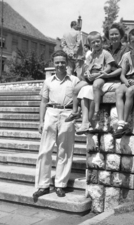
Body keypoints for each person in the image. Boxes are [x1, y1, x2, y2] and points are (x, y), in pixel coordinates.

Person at [33, 50, 80, 201]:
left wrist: (76, 112)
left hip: (67, 114)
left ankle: (60, 184)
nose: (60, 65)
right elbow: (43, 102)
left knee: (64, 151)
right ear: (53, 64)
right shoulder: (48, 81)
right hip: (51, 113)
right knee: (45, 150)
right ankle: (43, 185)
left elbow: (78, 99)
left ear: (67, 63)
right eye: (57, 62)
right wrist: (40, 121)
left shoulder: (74, 80)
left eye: (62, 62)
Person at [68, 23, 130, 135]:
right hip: (102, 78)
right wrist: (87, 73)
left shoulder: (125, 50)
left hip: (115, 79)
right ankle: (84, 121)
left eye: (116, 34)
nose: (114, 37)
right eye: (111, 35)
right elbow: (89, 65)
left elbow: (120, 69)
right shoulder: (103, 49)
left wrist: (106, 75)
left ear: (121, 35)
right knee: (81, 89)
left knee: (90, 90)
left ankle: (91, 120)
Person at [66, 31, 117, 125]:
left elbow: (109, 67)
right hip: (91, 76)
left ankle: (96, 112)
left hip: (101, 75)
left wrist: (99, 74)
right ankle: (75, 111)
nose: (96, 44)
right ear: (90, 45)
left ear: (101, 41)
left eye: (98, 41)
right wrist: (87, 73)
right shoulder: (90, 56)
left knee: (96, 86)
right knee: (75, 89)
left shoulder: (105, 53)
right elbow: (87, 67)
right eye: (93, 42)